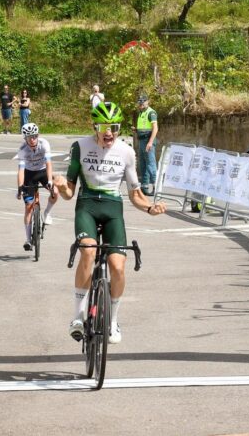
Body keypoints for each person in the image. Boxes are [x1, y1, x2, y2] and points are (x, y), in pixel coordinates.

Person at [54, 100, 166, 344]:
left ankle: (113, 320)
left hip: (113, 208)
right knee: (88, 251)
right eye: (104, 126)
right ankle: (77, 316)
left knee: (117, 266)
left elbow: (135, 194)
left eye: (114, 127)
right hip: (87, 206)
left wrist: (150, 208)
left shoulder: (126, 151)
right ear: (95, 126)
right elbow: (70, 192)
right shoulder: (80, 147)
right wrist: (62, 186)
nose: (109, 133)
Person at [15, 123, 58, 250]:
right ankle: (28, 239)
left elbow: (49, 163)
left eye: (34, 136)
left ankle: (47, 213)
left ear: (38, 135)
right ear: (25, 138)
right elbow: (21, 170)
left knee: (55, 191)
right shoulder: (22, 149)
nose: (32, 139)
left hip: (43, 172)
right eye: (29, 137)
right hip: (29, 174)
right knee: (28, 206)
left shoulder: (44, 144)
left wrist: (50, 180)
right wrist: (20, 187)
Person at [135, 94, 158, 196]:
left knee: (151, 165)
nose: (141, 104)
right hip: (141, 140)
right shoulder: (141, 112)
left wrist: (150, 142)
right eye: (139, 102)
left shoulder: (151, 112)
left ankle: (155, 187)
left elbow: (155, 128)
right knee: (142, 164)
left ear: (147, 102)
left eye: (142, 102)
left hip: (148, 141)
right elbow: (144, 127)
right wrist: (136, 130)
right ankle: (144, 187)